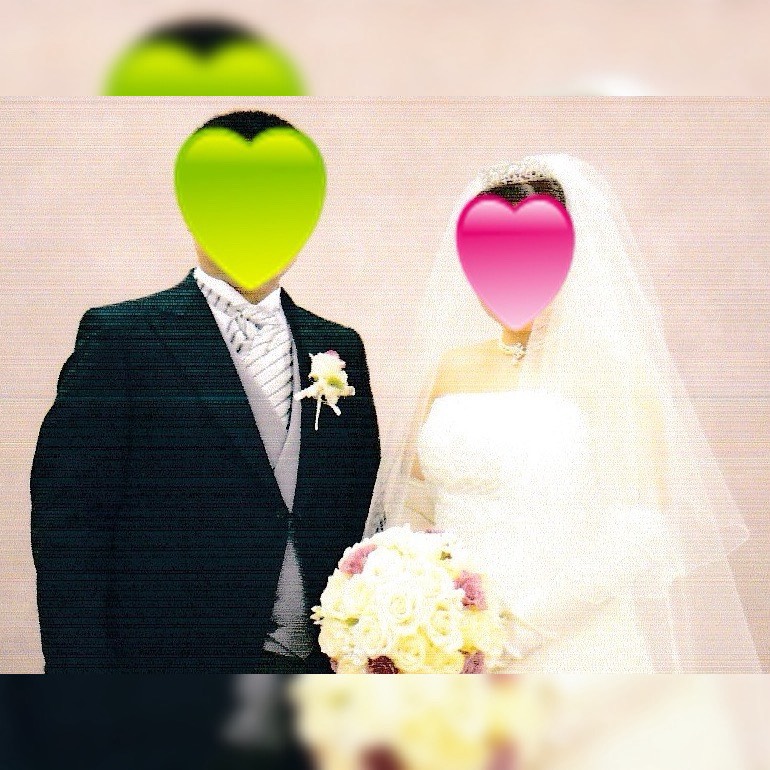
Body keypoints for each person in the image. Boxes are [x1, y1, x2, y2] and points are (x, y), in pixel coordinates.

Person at [367, 154, 759, 672]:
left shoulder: (613, 373)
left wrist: (509, 632)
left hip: (571, 643)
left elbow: (641, 532)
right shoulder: (451, 368)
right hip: (450, 645)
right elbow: (414, 505)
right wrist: (416, 605)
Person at [31, 110, 380, 673]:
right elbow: (70, 527)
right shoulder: (121, 338)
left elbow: (355, 506)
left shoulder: (340, 348)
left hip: (319, 669)